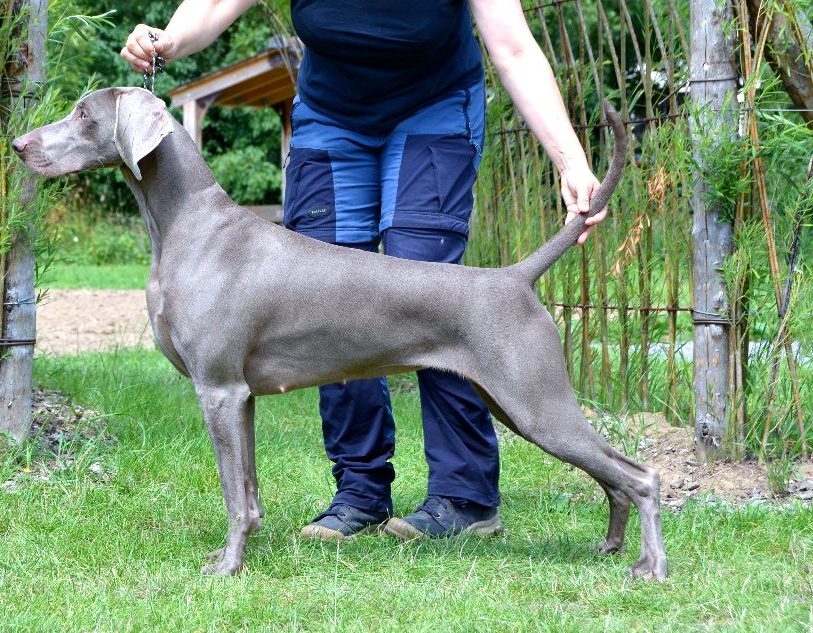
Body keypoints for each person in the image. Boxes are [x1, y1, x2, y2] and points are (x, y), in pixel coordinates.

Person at [121, 0, 607, 541]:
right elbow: (212, 7)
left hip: (436, 105)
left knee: (430, 288)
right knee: (319, 296)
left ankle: (464, 496)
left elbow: (514, 47)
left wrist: (570, 161)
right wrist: (165, 41)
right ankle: (360, 490)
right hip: (332, 114)